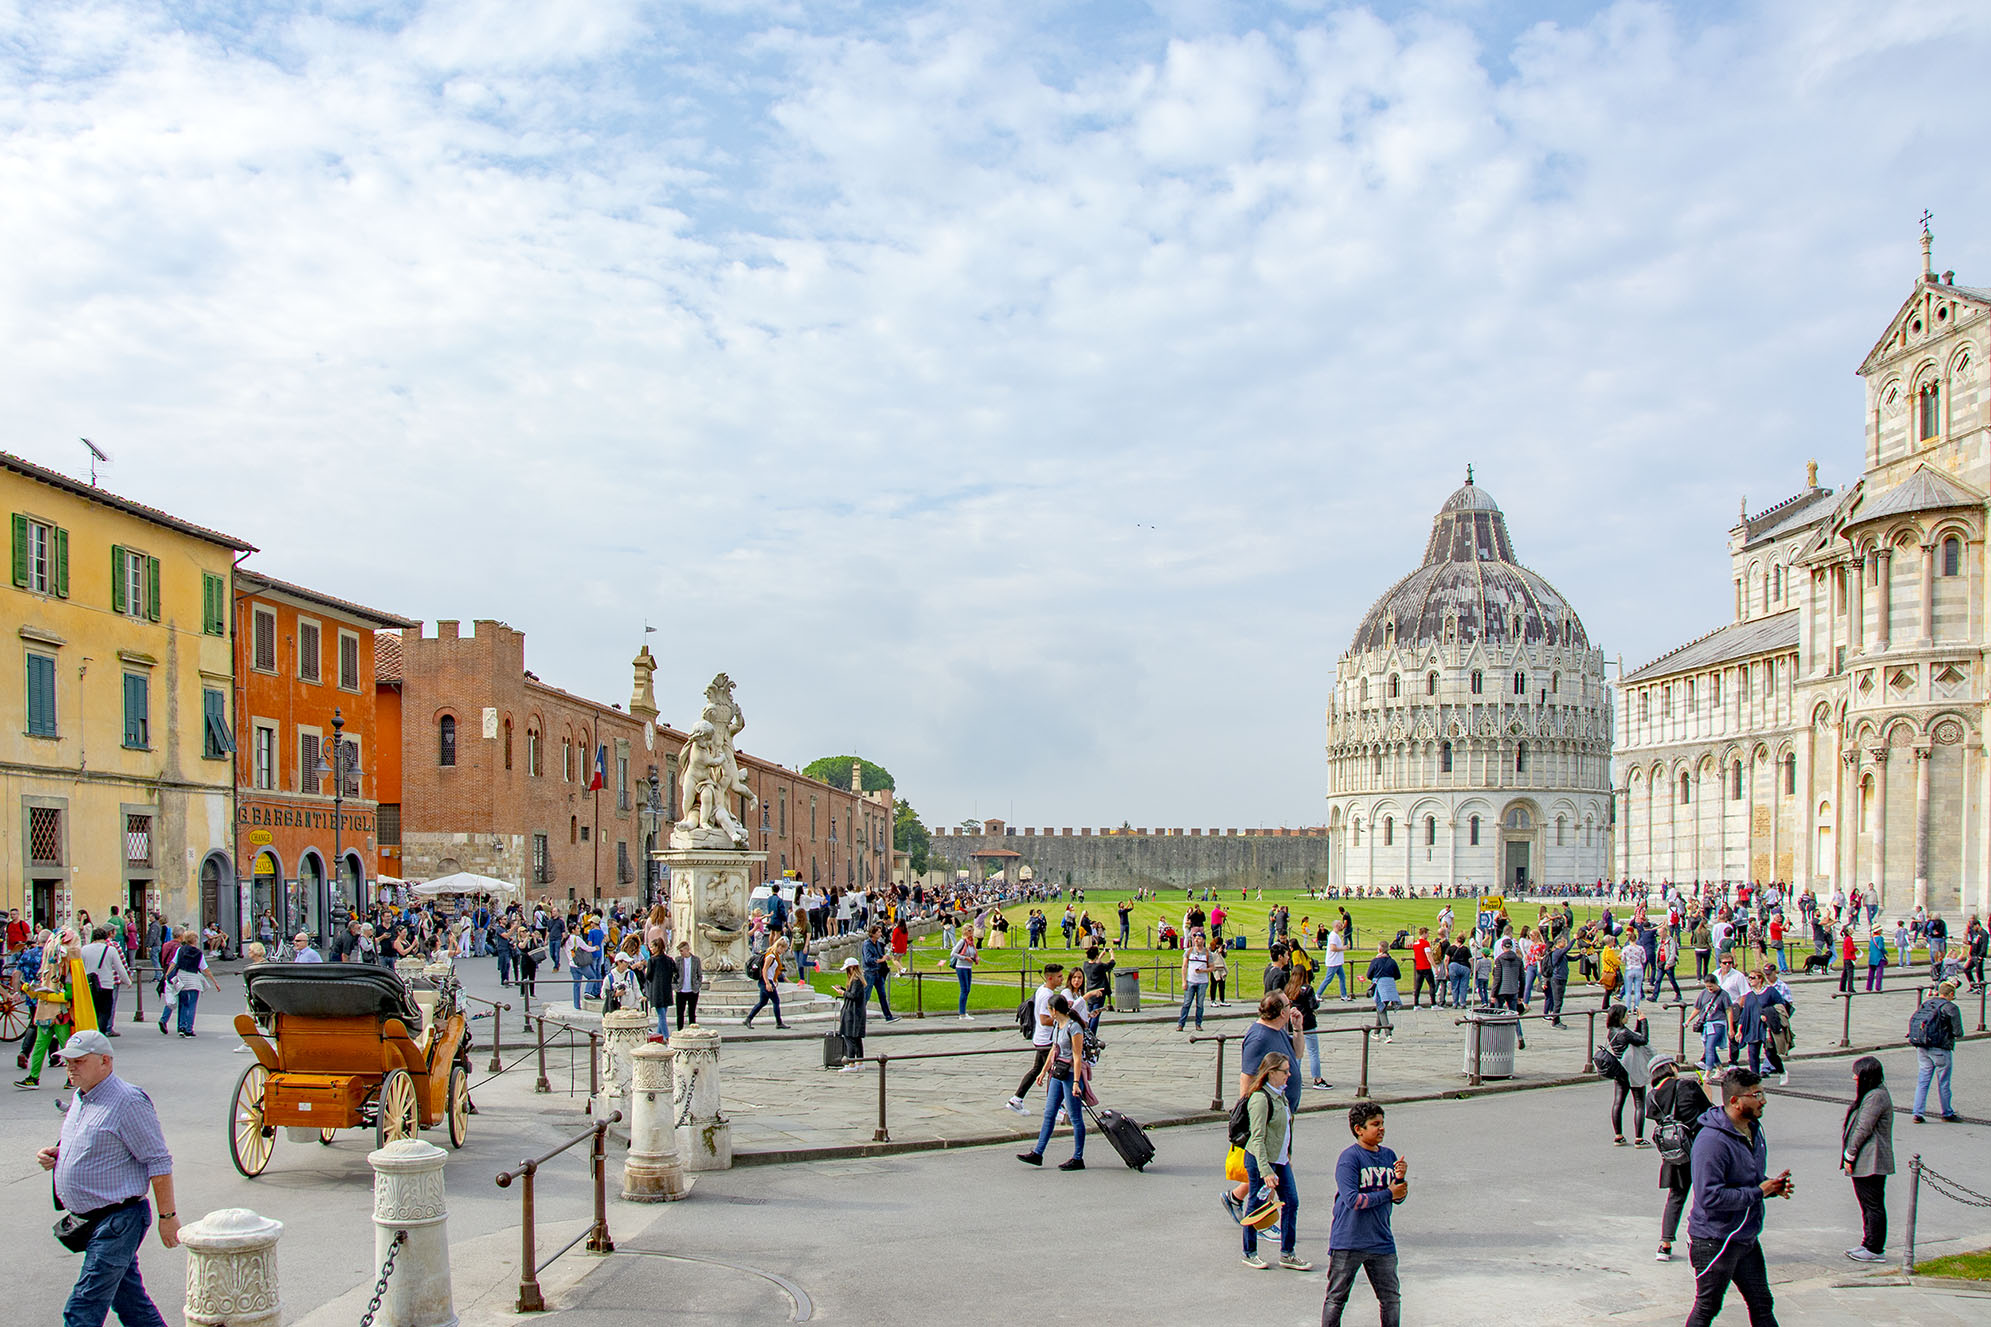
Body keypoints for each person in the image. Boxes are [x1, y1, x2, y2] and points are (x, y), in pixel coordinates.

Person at [38, 1030, 180, 1327]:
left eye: (79, 1061)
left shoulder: (128, 1101)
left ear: (105, 1061)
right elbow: (93, 1141)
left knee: (84, 1305)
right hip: (92, 1220)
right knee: (131, 1304)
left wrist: (168, 1216)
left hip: (119, 1220)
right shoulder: (81, 1097)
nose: (70, 1067)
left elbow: (158, 1160)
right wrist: (57, 1154)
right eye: (66, 1061)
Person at [1682, 1068, 1794, 1327]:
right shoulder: (1711, 1141)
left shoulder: (1753, 1128)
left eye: (1763, 1093)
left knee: (1762, 1303)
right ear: (1735, 1101)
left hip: (1745, 1237)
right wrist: (1759, 1191)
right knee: (1708, 1307)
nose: (1763, 1100)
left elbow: (1749, 1177)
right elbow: (1710, 1197)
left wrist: (1771, 1186)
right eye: (1757, 1095)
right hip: (1714, 1240)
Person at [1321, 1102, 1406, 1326]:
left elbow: (1398, 1197)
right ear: (1359, 1129)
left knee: (1391, 1299)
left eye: (1382, 1124)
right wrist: (1389, 1193)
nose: (1381, 1129)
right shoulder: (1349, 1159)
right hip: (1349, 1240)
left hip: (1381, 1240)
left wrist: (1399, 1181)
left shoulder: (1389, 1156)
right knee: (1337, 1298)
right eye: (1375, 1124)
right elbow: (1353, 1200)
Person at [1235, 1051, 1307, 1269]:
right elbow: (1257, 1139)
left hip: (1280, 1159)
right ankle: (1249, 1252)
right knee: (1256, 1206)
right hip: (1260, 1160)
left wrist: (1288, 1156)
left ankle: (1287, 1253)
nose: (1289, 1075)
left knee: (1291, 1202)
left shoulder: (1280, 1095)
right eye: (1285, 1071)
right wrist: (1265, 1170)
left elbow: (1285, 1131)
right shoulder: (1260, 1099)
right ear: (1271, 1072)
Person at [1015, 992, 1088, 1171]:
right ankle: (1038, 1153)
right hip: (1057, 1072)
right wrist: (1043, 1071)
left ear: (1054, 1010)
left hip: (1070, 1074)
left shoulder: (1074, 1027)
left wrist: (1077, 1082)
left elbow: (1077, 1057)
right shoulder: (1057, 1025)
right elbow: (1054, 1049)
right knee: (1049, 1113)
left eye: (1049, 1010)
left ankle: (1078, 1157)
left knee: (1076, 1117)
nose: (1048, 1013)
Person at [1648, 1055, 1710, 1262]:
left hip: (1675, 1151)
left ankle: (1665, 1244)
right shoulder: (1687, 1086)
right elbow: (1708, 1112)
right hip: (1699, 1147)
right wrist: (1707, 1090)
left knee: (1676, 1196)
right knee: (1705, 1194)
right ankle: (1700, 1237)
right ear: (1671, 1067)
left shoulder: (1652, 1096)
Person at [1840, 1055, 1893, 1263]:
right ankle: (1868, 1243)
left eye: (1857, 1074)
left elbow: (1863, 1128)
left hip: (1871, 1159)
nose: (1854, 1078)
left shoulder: (1876, 1097)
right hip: (1868, 1158)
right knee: (1869, 1204)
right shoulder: (1873, 1093)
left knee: (1872, 1204)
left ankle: (1874, 1247)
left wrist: (1850, 1155)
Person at [1007, 964, 1064, 1114]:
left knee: (1037, 1069)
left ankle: (1016, 1099)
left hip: (1040, 1037)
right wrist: (1063, 1019)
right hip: (1046, 1040)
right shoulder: (1047, 995)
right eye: (1059, 976)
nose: (1062, 979)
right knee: (1055, 1071)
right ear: (1050, 978)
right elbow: (1045, 1019)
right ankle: (1056, 1107)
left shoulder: (1043, 989)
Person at [1909, 980, 1965, 1123]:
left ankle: (1917, 1113)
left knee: (1923, 1080)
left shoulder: (1927, 1004)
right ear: (1951, 994)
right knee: (1943, 1081)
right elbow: (1958, 1032)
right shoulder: (1950, 1007)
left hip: (1922, 1046)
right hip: (1940, 1048)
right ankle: (1947, 1112)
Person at [1603, 1004, 1652, 1146]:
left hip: (1620, 1070)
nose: (1628, 1016)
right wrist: (1643, 1021)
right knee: (1639, 1103)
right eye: (1626, 1014)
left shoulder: (1612, 1031)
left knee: (1618, 1102)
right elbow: (1643, 1040)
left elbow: (1634, 1036)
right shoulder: (1624, 1033)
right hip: (1632, 1070)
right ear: (1620, 1017)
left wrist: (1638, 1022)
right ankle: (1639, 1138)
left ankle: (1618, 1135)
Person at [158, 931, 216, 1038]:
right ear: (195, 940)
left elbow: (173, 963)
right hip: (193, 979)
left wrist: (167, 974)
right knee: (192, 1004)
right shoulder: (199, 953)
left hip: (181, 978)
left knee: (183, 1003)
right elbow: (205, 968)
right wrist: (214, 982)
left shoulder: (181, 950)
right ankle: (189, 1028)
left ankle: (181, 1027)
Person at [1286, 970, 1330, 1090]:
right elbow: (1313, 1005)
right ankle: (1317, 1079)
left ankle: (1296, 1078)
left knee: (1296, 1052)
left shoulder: (1289, 988)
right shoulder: (1307, 989)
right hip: (1308, 1023)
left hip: (1293, 1023)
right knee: (1313, 1051)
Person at [742, 937, 789, 1029]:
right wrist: (768, 983)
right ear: (779, 946)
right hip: (766, 981)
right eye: (784, 949)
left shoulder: (774, 956)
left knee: (762, 1002)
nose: (784, 951)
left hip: (767, 980)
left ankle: (748, 1019)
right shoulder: (770, 956)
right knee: (776, 1001)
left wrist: (774, 979)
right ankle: (779, 1022)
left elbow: (771, 970)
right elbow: (765, 969)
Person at [860, 925, 900, 1023]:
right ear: (872, 934)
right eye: (878, 932)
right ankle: (860, 1017)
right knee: (866, 995)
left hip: (878, 972)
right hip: (870, 972)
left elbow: (879, 955)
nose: (880, 934)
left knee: (882, 995)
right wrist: (880, 960)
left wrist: (885, 957)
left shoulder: (878, 944)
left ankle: (888, 1016)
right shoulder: (867, 944)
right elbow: (868, 959)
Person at [836, 957, 866, 1071]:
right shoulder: (857, 981)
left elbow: (853, 996)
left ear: (852, 968)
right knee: (857, 1038)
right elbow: (853, 993)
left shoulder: (856, 981)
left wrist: (843, 992)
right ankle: (859, 1061)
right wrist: (843, 989)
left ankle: (851, 1063)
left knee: (849, 1037)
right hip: (856, 1012)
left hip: (852, 1012)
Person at [1366, 943, 1400, 1044]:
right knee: (1381, 1008)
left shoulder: (1375, 961)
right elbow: (1398, 975)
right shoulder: (1392, 961)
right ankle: (1376, 1032)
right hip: (1391, 987)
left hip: (1380, 986)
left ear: (1380, 950)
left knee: (1381, 1009)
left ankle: (1388, 1033)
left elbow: (1369, 975)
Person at [1177, 933, 1211, 1032]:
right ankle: (1181, 1024)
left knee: (1200, 1004)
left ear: (1203, 940)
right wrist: (1184, 981)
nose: (1196, 940)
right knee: (1186, 1003)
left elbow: (1212, 967)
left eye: (1199, 938)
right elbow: (1184, 966)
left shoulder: (1207, 953)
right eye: (1195, 938)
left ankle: (1198, 1024)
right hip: (1191, 981)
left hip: (1202, 982)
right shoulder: (1189, 951)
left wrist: (1203, 971)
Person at [948, 926, 979, 1020]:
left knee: (968, 989)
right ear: (965, 932)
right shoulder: (962, 942)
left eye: (972, 930)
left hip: (968, 967)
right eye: (969, 931)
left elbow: (972, 953)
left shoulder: (972, 943)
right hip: (961, 967)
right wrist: (965, 958)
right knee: (964, 989)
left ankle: (964, 1012)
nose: (971, 932)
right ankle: (962, 1013)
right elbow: (953, 953)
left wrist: (976, 958)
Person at [672, 941, 702, 1031]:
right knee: (680, 1013)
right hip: (681, 990)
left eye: (682, 951)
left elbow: (699, 974)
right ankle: (680, 1030)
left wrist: (698, 985)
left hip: (693, 990)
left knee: (692, 1012)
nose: (681, 953)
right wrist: (675, 987)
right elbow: (674, 974)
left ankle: (692, 1030)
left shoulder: (696, 960)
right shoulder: (678, 960)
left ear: (687, 949)